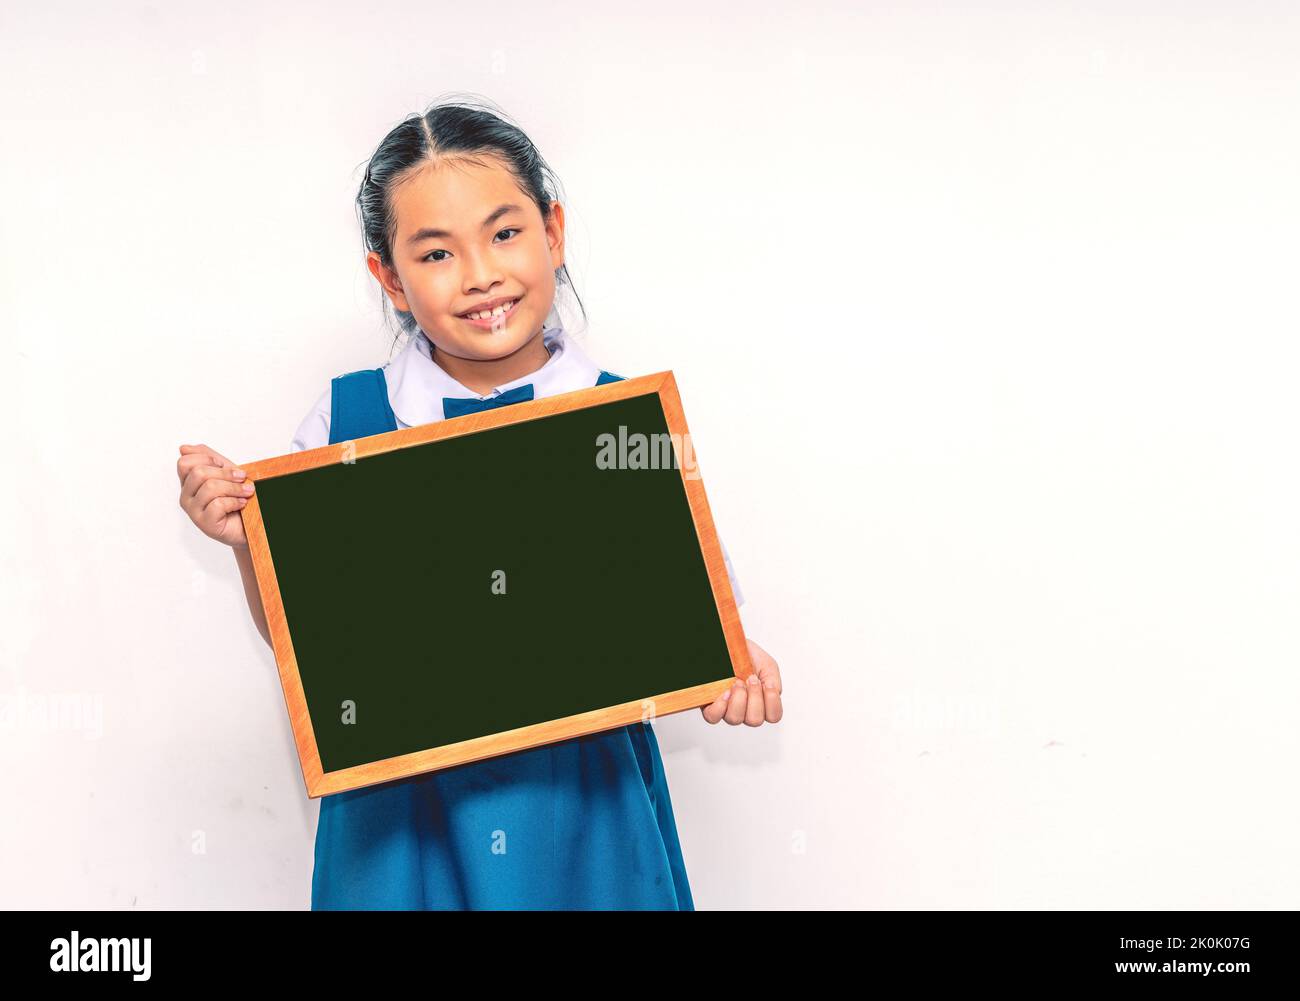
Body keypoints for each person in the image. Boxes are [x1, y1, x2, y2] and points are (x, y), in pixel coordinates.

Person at [176, 96, 783, 909]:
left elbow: (702, 624)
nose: (481, 275)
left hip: (583, 808)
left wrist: (737, 667)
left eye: (504, 233)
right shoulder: (344, 420)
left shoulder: (621, 419)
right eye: (435, 253)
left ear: (553, 232)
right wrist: (248, 538)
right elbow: (313, 645)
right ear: (388, 277)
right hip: (400, 816)